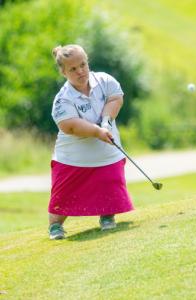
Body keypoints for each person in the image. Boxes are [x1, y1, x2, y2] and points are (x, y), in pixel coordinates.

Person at [48, 44, 134, 240]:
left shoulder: (104, 80)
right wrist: (97, 131)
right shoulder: (63, 99)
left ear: (87, 62)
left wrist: (106, 122)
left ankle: (107, 216)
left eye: (83, 65)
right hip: (73, 157)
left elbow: (116, 99)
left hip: (106, 150)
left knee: (109, 183)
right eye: (73, 69)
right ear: (63, 72)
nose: (80, 71)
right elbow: (70, 126)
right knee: (64, 195)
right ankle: (55, 226)